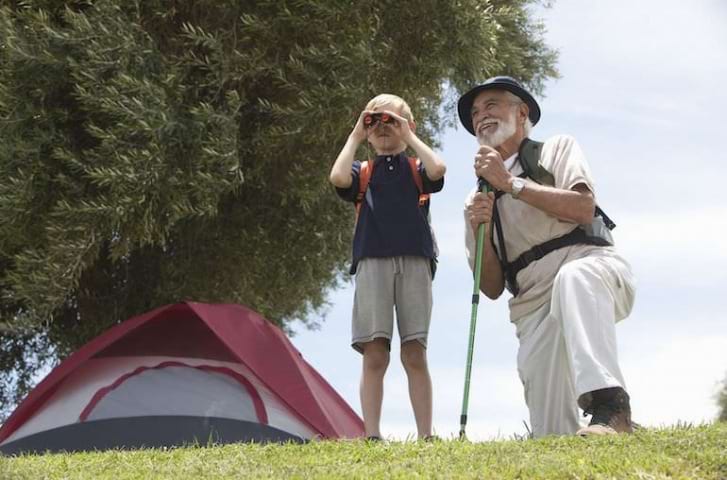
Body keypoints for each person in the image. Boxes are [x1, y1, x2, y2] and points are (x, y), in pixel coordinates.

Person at [458, 76, 636, 437]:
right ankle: (608, 435)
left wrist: (512, 185)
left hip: (593, 268)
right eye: (475, 113)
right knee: (552, 434)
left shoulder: (556, 149)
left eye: (491, 105)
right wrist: (481, 231)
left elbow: (584, 208)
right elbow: (491, 287)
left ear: (521, 112)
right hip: (532, 305)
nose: (481, 116)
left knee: (574, 278)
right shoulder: (476, 199)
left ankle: (611, 406)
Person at [329, 94, 446, 440]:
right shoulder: (362, 171)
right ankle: (372, 434)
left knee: (414, 351)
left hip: (415, 260)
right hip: (372, 261)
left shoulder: (415, 169)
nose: (383, 128)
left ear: (406, 126)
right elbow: (337, 177)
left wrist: (407, 136)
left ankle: (426, 434)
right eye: (375, 122)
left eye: (391, 122)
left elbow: (438, 169)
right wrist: (355, 136)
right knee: (374, 352)